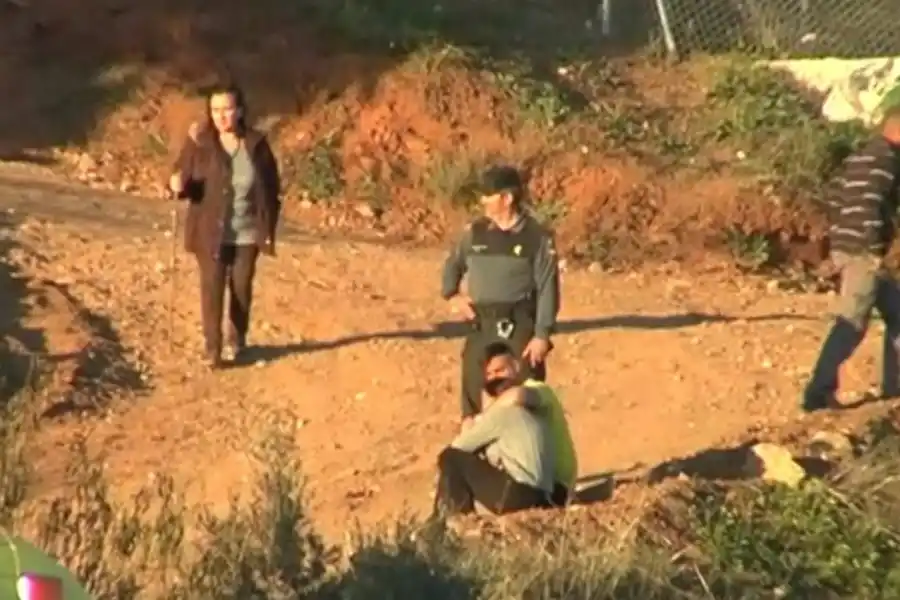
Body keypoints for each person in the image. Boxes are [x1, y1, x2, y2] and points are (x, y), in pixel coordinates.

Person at [167, 81, 282, 369]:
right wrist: (177, 184)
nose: (221, 116)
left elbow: (271, 187)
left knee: (241, 287)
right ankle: (213, 348)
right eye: (216, 110)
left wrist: (267, 225)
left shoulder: (256, 144)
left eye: (228, 109)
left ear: (240, 111)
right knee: (212, 287)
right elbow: (181, 179)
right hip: (209, 230)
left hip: (247, 230)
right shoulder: (200, 142)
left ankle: (237, 339)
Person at [440, 165, 561, 428]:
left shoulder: (537, 237)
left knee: (529, 389)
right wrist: (452, 295)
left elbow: (548, 286)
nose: (483, 201)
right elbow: (453, 265)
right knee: (473, 380)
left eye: (489, 195)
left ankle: (535, 444)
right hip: (481, 321)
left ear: (507, 198)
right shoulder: (476, 233)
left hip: (520, 321)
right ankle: (470, 439)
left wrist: (542, 334)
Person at [802, 103, 900, 411]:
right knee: (851, 322)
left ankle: (894, 391)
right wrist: (872, 249)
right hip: (864, 251)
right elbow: (870, 204)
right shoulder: (886, 161)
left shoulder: (862, 156)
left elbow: (836, 198)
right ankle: (818, 395)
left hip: (850, 245)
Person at [432, 342, 572, 517]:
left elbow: (458, 447)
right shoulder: (533, 413)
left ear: (516, 366)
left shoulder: (506, 410)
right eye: (490, 374)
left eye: (500, 371)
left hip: (523, 494)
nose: (494, 377)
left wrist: (478, 421)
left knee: (450, 458)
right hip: (548, 494)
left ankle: (450, 523)